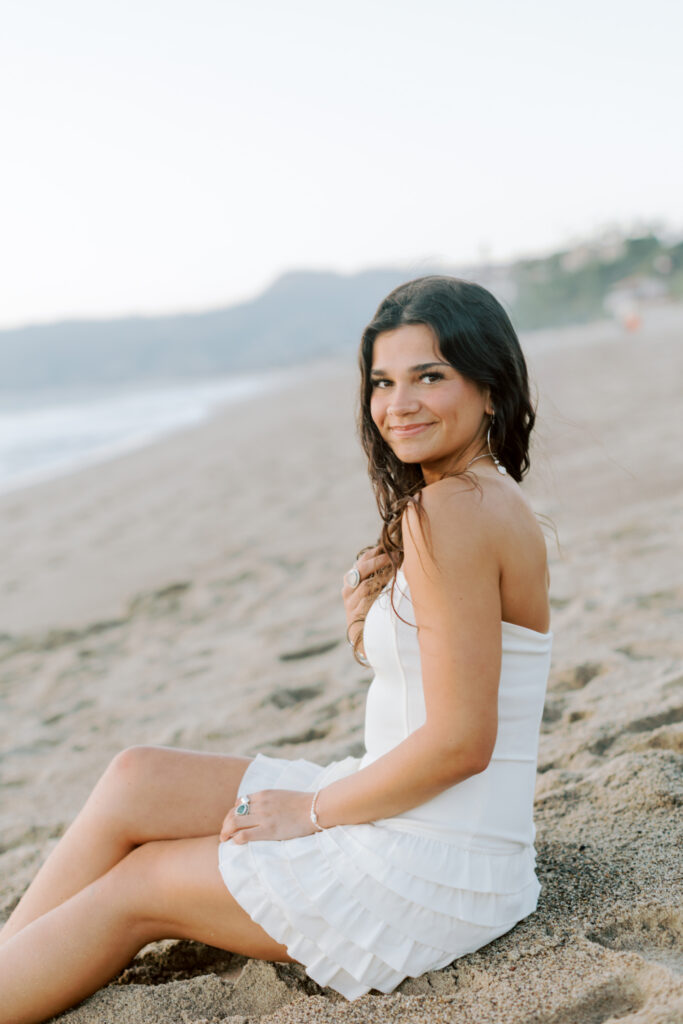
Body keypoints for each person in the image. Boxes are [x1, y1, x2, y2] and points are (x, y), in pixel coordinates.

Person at [0, 275, 552, 1021]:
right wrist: (374, 631)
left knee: (141, 883)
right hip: (448, 833)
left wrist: (313, 811)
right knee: (136, 778)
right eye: (383, 382)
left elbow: (461, 742)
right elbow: (455, 675)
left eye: (431, 376)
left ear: (489, 388)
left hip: (431, 868)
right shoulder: (483, 496)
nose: (399, 403)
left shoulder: (449, 510)